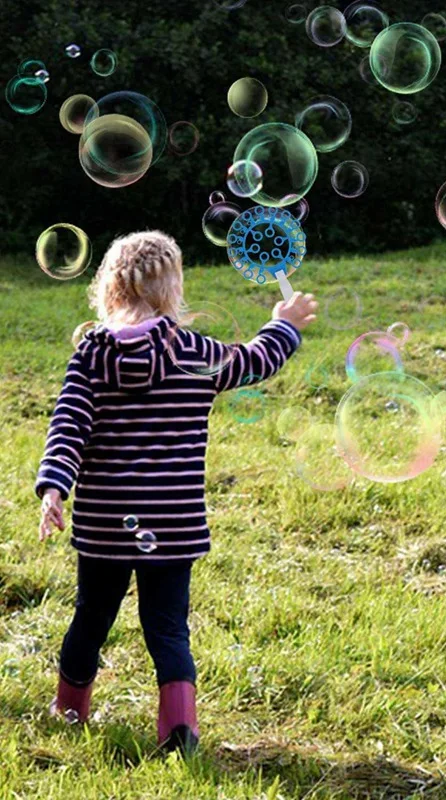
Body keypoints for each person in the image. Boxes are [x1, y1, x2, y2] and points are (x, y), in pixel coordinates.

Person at [36, 231, 317, 754]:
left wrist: (54, 486)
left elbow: (67, 427)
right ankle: (179, 729)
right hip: (174, 523)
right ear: (173, 290)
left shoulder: (91, 357)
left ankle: (70, 709)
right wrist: (285, 324)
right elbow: (254, 361)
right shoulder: (193, 352)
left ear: (109, 288)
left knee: (90, 619)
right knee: (168, 628)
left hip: (104, 523)